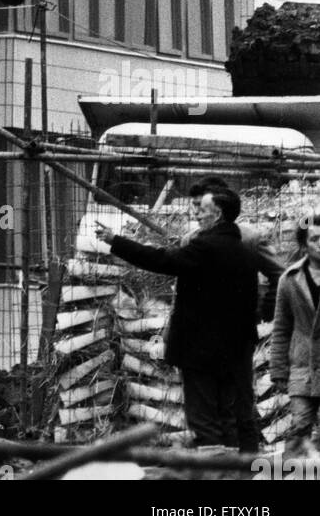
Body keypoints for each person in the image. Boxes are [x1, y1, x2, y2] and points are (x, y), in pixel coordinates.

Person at [96, 188, 261, 452]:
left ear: (217, 214)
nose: (196, 215)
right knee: (230, 415)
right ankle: (235, 469)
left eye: (201, 210)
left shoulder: (205, 247)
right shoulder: (246, 253)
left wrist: (117, 242)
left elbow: (162, 260)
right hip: (236, 351)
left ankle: (214, 472)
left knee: (204, 419)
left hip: (201, 351)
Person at [188, 175, 283, 319]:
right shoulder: (190, 240)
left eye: (201, 205)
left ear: (220, 206)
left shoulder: (249, 239)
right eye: (194, 205)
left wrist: (264, 311)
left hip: (236, 325)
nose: (196, 212)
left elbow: (280, 274)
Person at [270, 212, 320, 453]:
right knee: (300, 427)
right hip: (302, 368)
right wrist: (278, 369)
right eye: (315, 239)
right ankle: (290, 474)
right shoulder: (289, 280)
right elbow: (281, 328)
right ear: (304, 244)